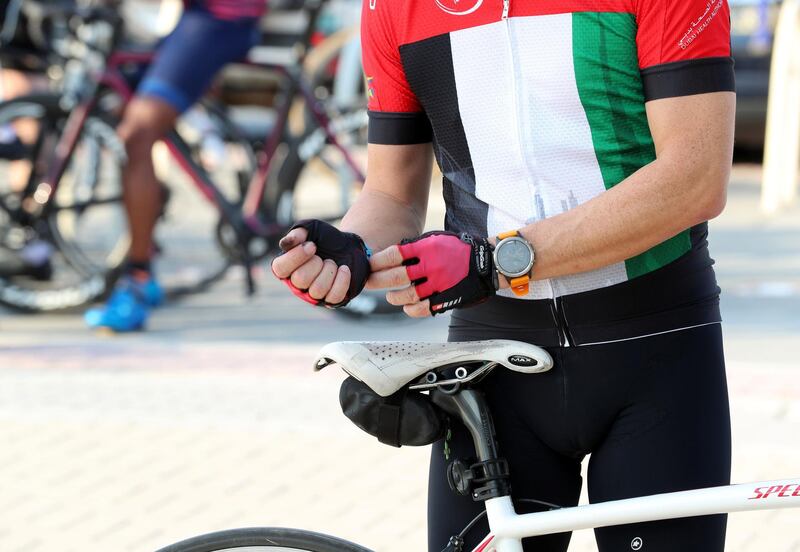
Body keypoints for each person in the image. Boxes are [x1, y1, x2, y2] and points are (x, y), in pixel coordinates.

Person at [272, 0, 736, 550]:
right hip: (490, 368)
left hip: (655, 348)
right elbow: (392, 193)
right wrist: (352, 251)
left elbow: (695, 178)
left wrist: (496, 262)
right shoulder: (394, 8)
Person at [84, 0, 266, 332]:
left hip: (222, 19)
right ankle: (149, 204)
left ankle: (138, 279)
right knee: (119, 100)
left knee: (137, 134)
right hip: (197, 17)